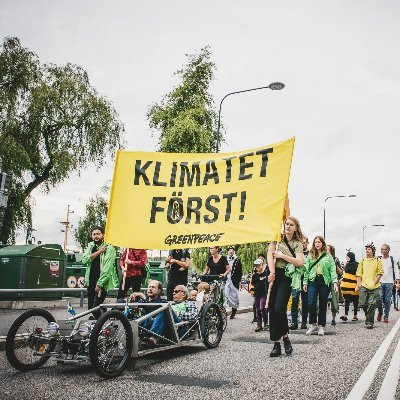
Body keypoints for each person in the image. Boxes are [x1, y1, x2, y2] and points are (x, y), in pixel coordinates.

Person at [267, 216, 305, 357]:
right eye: (286, 224)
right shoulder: (277, 238)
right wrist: (271, 272)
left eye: (291, 225)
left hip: (286, 276)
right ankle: (277, 343)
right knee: (272, 309)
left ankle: (286, 337)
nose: (288, 226)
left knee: (279, 309)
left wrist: (283, 256)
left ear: (296, 228)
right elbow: (269, 254)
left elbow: (300, 262)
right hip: (273, 274)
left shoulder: (297, 244)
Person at [304, 236, 338, 336]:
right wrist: (305, 282)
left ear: (322, 243)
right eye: (315, 242)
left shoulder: (328, 255)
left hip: (324, 281)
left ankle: (321, 326)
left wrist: (335, 282)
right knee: (311, 302)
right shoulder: (310, 255)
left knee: (323, 304)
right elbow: (307, 269)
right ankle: (313, 325)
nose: (317, 244)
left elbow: (332, 269)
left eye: (319, 242)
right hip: (312, 280)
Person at [82, 226, 118, 319]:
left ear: (103, 235)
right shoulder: (90, 246)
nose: (96, 236)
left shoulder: (109, 248)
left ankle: (104, 324)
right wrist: (99, 252)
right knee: (91, 307)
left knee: (95, 307)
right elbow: (84, 260)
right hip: (90, 280)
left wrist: (100, 283)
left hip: (102, 282)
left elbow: (107, 268)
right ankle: (104, 320)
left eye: (98, 234)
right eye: (94, 234)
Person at [128, 280, 168, 346]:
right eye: (149, 287)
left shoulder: (163, 302)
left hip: (155, 326)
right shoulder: (143, 301)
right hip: (143, 323)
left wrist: (143, 297)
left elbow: (157, 307)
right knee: (126, 306)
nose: (150, 289)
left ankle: (153, 338)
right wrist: (132, 304)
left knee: (163, 310)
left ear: (159, 291)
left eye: (153, 287)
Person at [355, 243, 384, 329]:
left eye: (369, 249)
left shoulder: (378, 260)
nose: (367, 251)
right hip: (364, 285)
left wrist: (374, 282)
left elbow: (380, 272)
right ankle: (369, 315)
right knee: (363, 303)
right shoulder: (362, 261)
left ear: (373, 251)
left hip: (375, 286)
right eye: (366, 249)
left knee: (372, 303)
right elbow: (359, 273)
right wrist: (358, 284)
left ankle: (369, 322)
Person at [376, 243, 400, 323]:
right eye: (381, 249)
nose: (382, 250)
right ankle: (380, 312)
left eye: (383, 249)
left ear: (388, 250)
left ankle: (386, 315)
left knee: (387, 300)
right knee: (379, 298)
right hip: (380, 282)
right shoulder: (379, 259)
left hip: (389, 282)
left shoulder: (393, 259)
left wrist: (397, 282)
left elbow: (397, 271)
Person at [290, 236, 309, 330]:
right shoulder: (295, 253)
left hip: (306, 279)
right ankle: (294, 321)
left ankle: (304, 322)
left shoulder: (310, 254)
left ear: (307, 244)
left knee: (305, 301)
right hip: (296, 279)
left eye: (304, 242)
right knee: (294, 300)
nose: (303, 244)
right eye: (301, 242)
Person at [340, 251, 359, 322]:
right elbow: (345, 274)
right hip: (347, 286)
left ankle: (355, 315)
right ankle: (346, 315)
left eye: (347, 256)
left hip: (354, 285)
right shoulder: (347, 264)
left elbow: (358, 274)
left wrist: (358, 284)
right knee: (347, 301)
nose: (346, 257)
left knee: (355, 301)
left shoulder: (357, 264)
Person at [326, 244, 342, 326]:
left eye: (328, 249)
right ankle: (322, 318)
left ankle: (333, 319)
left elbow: (341, 272)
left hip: (333, 282)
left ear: (331, 251)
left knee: (334, 301)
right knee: (323, 300)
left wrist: (335, 266)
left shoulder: (336, 259)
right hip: (325, 281)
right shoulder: (323, 258)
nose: (326, 250)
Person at [225, 246, 243, 319]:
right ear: (228, 251)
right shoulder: (225, 259)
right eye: (229, 250)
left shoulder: (237, 260)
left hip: (234, 281)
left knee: (234, 297)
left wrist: (239, 281)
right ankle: (223, 312)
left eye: (232, 250)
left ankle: (233, 313)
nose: (231, 251)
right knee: (225, 295)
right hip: (226, 280)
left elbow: (240, 272)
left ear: (234, 251)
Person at [251, 258, 269, 332]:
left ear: (262, 265)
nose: (257, 267)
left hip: (264, 293)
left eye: (259, 265)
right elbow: (252, 284)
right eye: (256, 266)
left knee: (262, 308)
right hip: (257, 294)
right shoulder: (254, 275)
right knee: (258, 309)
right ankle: (259, 324)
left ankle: (266, 323)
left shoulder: (266, 273)